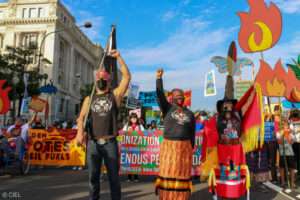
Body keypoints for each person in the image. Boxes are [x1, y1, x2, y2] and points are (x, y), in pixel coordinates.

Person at [75, 49, 131, 200]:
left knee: (114, 179)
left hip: (110, 143)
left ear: (109, 81)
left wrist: (119, 57)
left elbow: (127, 77)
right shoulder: (89, 98)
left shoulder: (115, 95)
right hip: (93, 143)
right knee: (93, 179)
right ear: (95, 81)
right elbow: (80, 118)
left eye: (104, 77)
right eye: (99, 77)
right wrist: (80, 133)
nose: (101, 79)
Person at [155, 68, 195, 200]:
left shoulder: (190, 113)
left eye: (181, 95)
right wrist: (159, 79)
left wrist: (191, 147)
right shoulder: (167, 108)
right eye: (177, 95)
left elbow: (192, 132)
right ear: (172, 98)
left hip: (184, 148)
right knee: (168, 173)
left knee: (181, 175)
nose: (180, 97)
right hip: (169, 147)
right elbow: (160, 95)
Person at [122, 112, 144, 182]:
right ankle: (129, 177)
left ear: (136, 119)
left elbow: (145, 133)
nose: (133, 119)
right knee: (129, 161)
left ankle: (136, 177)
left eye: (135, 118)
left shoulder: (140, 126)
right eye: (132, 118)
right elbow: (122, 133)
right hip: (128, 147)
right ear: (130, 119)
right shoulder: (127, 126)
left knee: (136, 161)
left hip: (137, 147)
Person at [277, 120, 297, 189]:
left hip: (290, 153)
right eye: (283, 125)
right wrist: (283, 134)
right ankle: (282, 182)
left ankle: (292, 183)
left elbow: (291, 142)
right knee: (282, 168)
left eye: (286, 125)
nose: (285, 126)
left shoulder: (290, 133)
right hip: (282, 153)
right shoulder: (279, 133)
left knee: (292, 168)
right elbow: (279, 142)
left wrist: (288, 135)